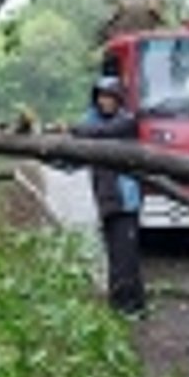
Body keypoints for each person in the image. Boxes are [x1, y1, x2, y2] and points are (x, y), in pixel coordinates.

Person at [74, 76, 147, 317]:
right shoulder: (93, 119)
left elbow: (98, 132)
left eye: (110, 97)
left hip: (125, 199)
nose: (105, 102)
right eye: (101, 97)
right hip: (105, 198)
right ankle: (120, 303)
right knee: (114, 254)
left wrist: (76, 130)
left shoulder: (126, 122)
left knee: (126, 254)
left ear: (119, 99)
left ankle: (130, 305)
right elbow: (81, 131)